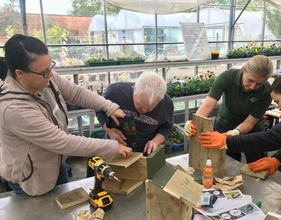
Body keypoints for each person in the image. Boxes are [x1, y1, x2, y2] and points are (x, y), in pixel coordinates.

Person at [0, 34, 132, 196]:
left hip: (55, 163)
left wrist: (109, 107)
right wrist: (112, 147)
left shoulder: (45, 79)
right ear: (20, 73)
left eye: (50, 67)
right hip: (31, 177)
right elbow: (63, 142)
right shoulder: (14, 109)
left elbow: (76, 93)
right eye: (44, 72)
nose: (51, 75)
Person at [198, 68, 281, 211]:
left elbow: (274, 137)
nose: (279, 107)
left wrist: (226, 141)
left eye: (278, 101)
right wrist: (278, 159)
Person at [185, 55, 274, 163]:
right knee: (226, 162)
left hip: (253, 130)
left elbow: (250, 122)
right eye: (250, 80)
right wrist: (195, 122)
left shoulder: (266, 91)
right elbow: (208, 105)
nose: (252, 86)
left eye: (259, 84)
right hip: (225, 125)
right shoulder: (227, 78)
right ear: (244, 69)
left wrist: (235, 132)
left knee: (257, 165)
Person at [96, 71, 174, 155]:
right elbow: (99, 109)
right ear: (134, 89)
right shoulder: (115, 92)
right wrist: (110, 131)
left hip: (145, 152)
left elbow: (166, 126)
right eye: (139, 105)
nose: (143, 110)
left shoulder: (166, 104)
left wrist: (155, 141)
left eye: (151, 108)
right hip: (115, 148)